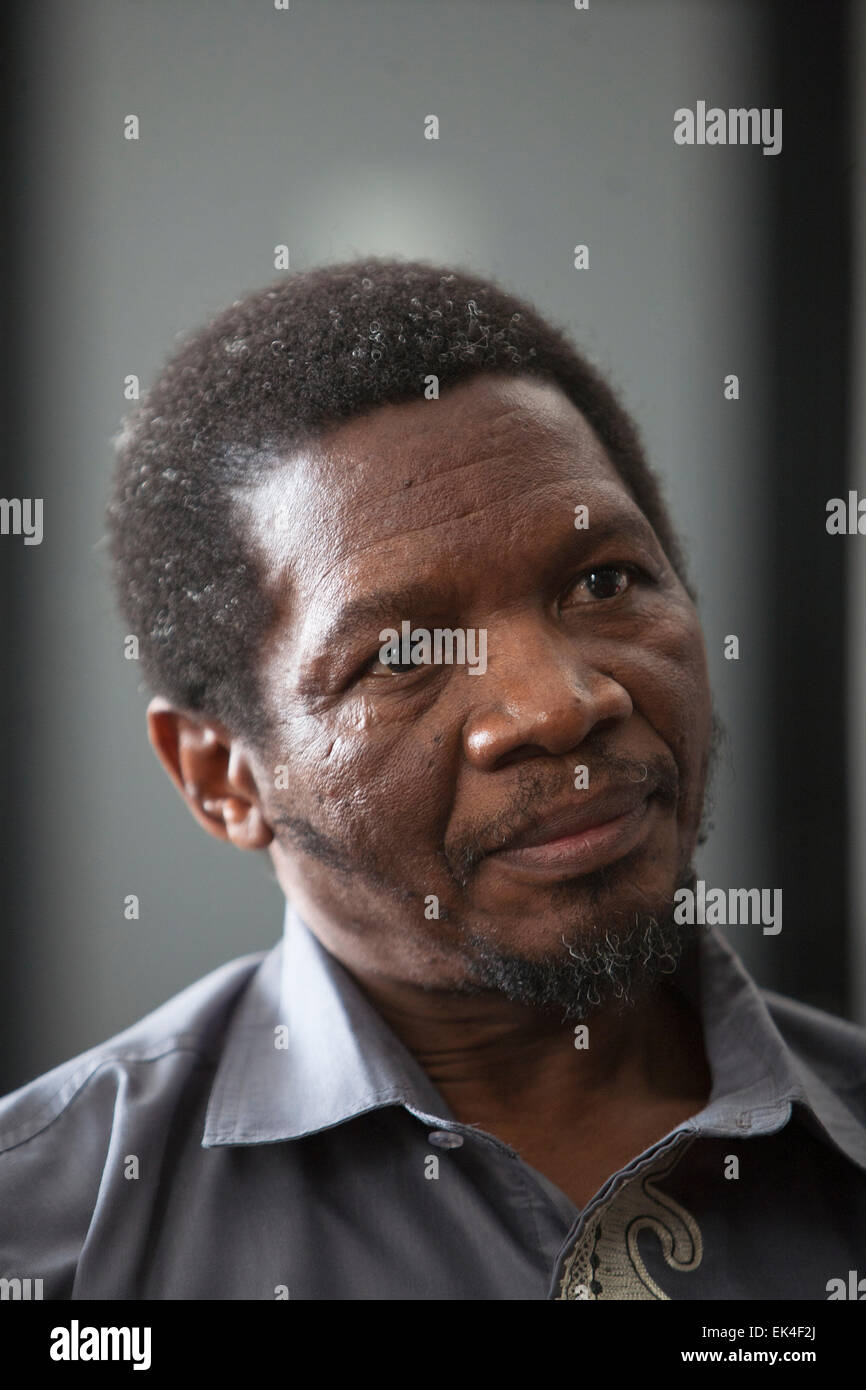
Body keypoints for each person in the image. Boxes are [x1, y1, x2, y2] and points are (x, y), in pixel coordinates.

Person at [1, 258, 864, 1301]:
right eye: (402, 654)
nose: (557, 703)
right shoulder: (54, 1242)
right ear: (221, 777)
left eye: (603, 582)